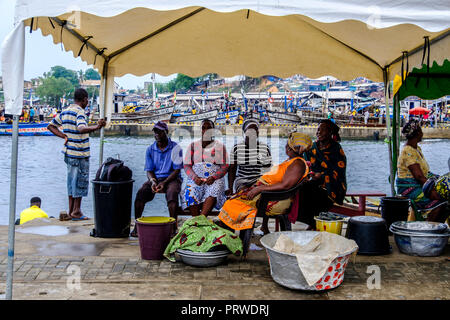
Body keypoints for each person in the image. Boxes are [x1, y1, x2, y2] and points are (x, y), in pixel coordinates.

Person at [218, 132, 311, 231]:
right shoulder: (292, 160)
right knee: (231, 201)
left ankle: (228, 232)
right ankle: (228, 230)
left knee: (233, 203)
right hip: (269, 194)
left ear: (290, 147)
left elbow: (285, 185)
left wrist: (260, 188)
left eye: (287, 144)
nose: (286, 146)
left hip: (273, 199)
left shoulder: (297, 164)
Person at [47, 88, 106, 221]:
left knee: (71, 182)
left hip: (69, 152)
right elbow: (81, 128)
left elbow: (51, 126)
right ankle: (77, 211)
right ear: (84, 99)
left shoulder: (66, 110)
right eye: (87, 101)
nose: (87, 103)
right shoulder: (80, 112)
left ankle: (71, 210)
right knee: (80, 181)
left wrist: (64, 136)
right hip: (79, 152)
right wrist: (97, 127)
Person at [131, 121, 183, 237]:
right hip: (156, 178)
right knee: (141, 194)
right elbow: (149, 170)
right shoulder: (150, 149)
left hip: (172, 178)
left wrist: (164, 182)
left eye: (160, 132)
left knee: (172, 194)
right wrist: (153, 181)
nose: (157, 135)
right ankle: (137, 226)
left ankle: (173, 227)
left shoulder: (176, 148)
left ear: (166, 132)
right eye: (155, 132)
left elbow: (177, 170)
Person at [396, 120, 448, 222]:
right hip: (410, 189)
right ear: (417, 133)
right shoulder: (408, 151)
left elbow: (425, 173)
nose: (422, 133)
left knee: (445, 198)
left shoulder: (416, 149)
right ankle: (428, 226)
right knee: (440, 202)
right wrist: (432, 191)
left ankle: (437, 226)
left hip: (420, 184)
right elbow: (419, 176)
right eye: (420, 130)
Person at [227, 119, 272, 233]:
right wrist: (231, 188)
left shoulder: (264, 148)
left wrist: (265, 184)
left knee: (266, 195)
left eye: (255, 130)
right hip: (242, 179)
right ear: (244, 132)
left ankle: (264, 225)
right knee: (244, 195)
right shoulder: (237, 148)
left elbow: (268, 169)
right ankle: (244, 227)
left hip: (258, 178)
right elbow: (232, 170)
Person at [300, 120, 347, 228]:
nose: (318, 133)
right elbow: (304, 164)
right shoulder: (312, 148)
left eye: (322, 130)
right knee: (301, 189)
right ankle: (309, 221)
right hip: (314, 182)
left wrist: (321, 176)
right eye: (318, 130)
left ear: (330, 132)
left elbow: (338, 172)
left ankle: (313, 223)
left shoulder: (336, 149)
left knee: (315, 193)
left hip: (332, 186)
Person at [183, 119, 229, 216]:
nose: (206, 130)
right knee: (190, 191)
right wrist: (194, 177)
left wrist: (214, 177)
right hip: (196, 179)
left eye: (209, 128)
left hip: (214, 179)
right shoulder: (193, 146)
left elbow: (225, 166)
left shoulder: (220, 147)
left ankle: (200, 220)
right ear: (200, 130)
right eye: (203, 128)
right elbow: (187, 165)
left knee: (215, 189)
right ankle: (197, 220)